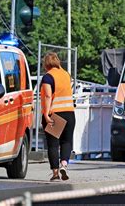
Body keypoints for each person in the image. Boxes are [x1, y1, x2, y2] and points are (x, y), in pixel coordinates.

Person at [40, 52, 76, 181]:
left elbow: (48, 96)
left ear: (46, 64)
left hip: (55, 114)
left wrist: (46, 114)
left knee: (53, 145)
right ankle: (64, 165)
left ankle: (55, 173)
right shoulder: (66, 74)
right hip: (70, 113)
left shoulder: (48, 77)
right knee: (67, 141)